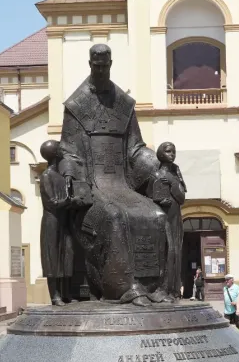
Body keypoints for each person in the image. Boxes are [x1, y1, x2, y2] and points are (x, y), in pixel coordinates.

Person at [58, 44, 174, 306]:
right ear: (90, 65)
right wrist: (75, 178)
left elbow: (135, 148)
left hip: (122, 184)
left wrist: (156, 164)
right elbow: (69, 150)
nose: (100, 70)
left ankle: (154, 287)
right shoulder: (76, 105)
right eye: (96, 65)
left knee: (155, 214)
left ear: (111, 64)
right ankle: (125, 288)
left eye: (105, 65)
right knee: (113, 216)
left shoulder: (124, 104)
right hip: (93, 185)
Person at [149, 142, 186, 300]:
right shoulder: (155, 175)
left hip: (174, 217)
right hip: (161, 217)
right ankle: (162, 288)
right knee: (166, 251)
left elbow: (181, 198)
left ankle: (173, 289)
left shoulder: (175, 174)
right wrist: (157, 201)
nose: (172, 154)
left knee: (175, 251)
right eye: (169, 151)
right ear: (161, 154)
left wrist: (172, 183)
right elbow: (149, 197)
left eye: (174, 151)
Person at [39, 140, 75, 306]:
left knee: (66, 255)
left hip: (63, 220)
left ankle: (66, 293)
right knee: (52, 258)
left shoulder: (60, 176)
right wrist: (69, 201)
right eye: (59, 149)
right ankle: (55, 296)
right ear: (54, 153)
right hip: (51, 221)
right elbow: (51, 202)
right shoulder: (46, 175)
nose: (62, 151)